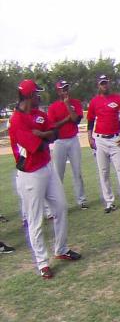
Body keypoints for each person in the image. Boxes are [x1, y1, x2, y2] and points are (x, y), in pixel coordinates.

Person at [9, 79, 82, 279]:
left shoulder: (39, 114)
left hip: (47, 167)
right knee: (36, 220)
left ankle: (61, 249)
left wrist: (42, 133)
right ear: (28, 96)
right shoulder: (17, 120)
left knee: (60, 208)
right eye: (36, 94)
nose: (39, 96)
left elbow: (55, 134)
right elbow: (37, 146)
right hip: (30, 174)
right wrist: (44, 136)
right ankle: (42, 262)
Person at [87, 73, 120, 213]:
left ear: (108, 83)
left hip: (115, 139)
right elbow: (90, 120)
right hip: (100, 139)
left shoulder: (118, 99)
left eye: (105, 83)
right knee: (103, 172)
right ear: (98, 85)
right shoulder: (94, 101)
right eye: (102, 83)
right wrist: (89, 137)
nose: (104, 85)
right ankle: (109, 201)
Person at [47, 79, 87, 209]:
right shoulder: (53, 107)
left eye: (66, 88)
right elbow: (52, 125)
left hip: (73, 139)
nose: (65, 91)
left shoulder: (75, 103)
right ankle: (58, 204)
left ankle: (81, 200)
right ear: (58, 91)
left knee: (77, 172)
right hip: (59, 141)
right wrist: (66, 119)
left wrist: (68, 105)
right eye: (62, 89)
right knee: (59, 174)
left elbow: (75, 119)